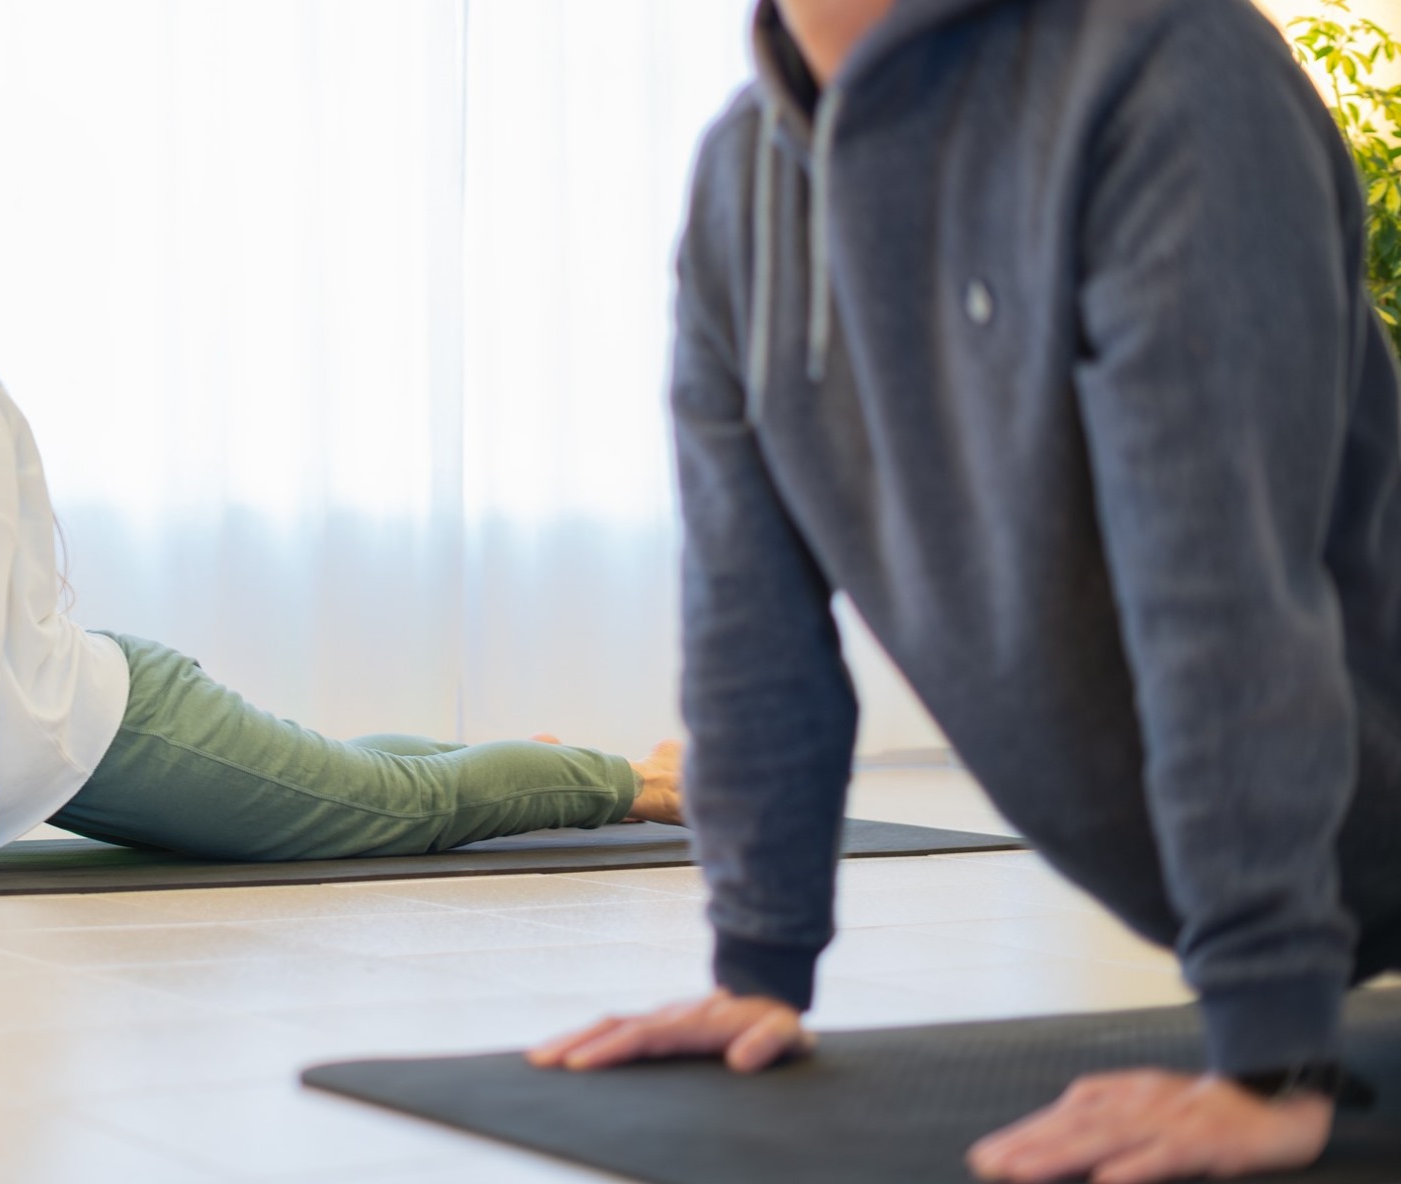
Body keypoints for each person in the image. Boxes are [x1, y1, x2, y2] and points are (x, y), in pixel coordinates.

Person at [530, 0, 1401, 1180]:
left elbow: (1221, 592)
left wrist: (1275, 1048)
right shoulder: (744, 179)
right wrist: (758, 962)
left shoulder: (1166, 71)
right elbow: (748, 610)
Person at [0, 163, 682, 892]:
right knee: (349, 775)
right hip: (63, 748)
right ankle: (513, 761)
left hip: (120, 732)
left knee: (395, 810)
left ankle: (643, 782)